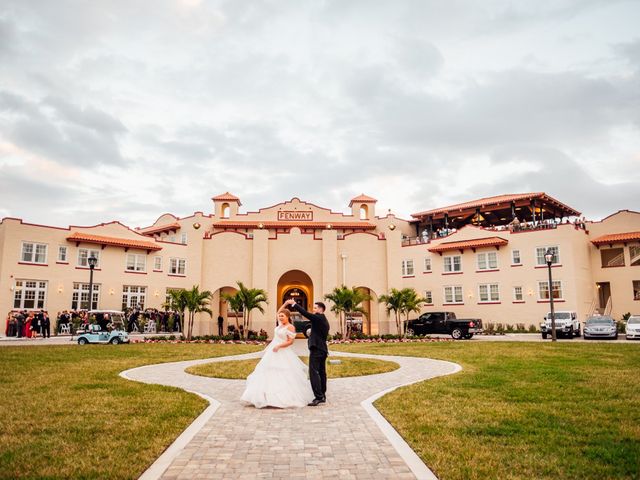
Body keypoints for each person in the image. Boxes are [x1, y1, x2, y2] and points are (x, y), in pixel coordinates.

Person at [241, 304, 314, 408]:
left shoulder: (290, 327)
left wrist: (279, 346)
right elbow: (278, 312)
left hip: (283, 351)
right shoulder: (280, 325)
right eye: (280, 316)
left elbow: (290, 342)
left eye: (282, 316)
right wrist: (286, 304)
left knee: (284, 373)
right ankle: (264, 397)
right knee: (265, 371)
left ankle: (282, 398)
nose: (280, 317)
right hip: (273, 352)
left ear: (288, 317)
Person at [286, 298, 330, 406]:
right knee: (321, 372)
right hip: (322, 349)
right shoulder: (323, 319)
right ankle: (322, 395)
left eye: (315, 308)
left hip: (317, 349)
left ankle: (318, 397)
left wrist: (294, 304)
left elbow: (305, 313)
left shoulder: (318, 318)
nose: (313, 309)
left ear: (321, 309)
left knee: (313, 372)